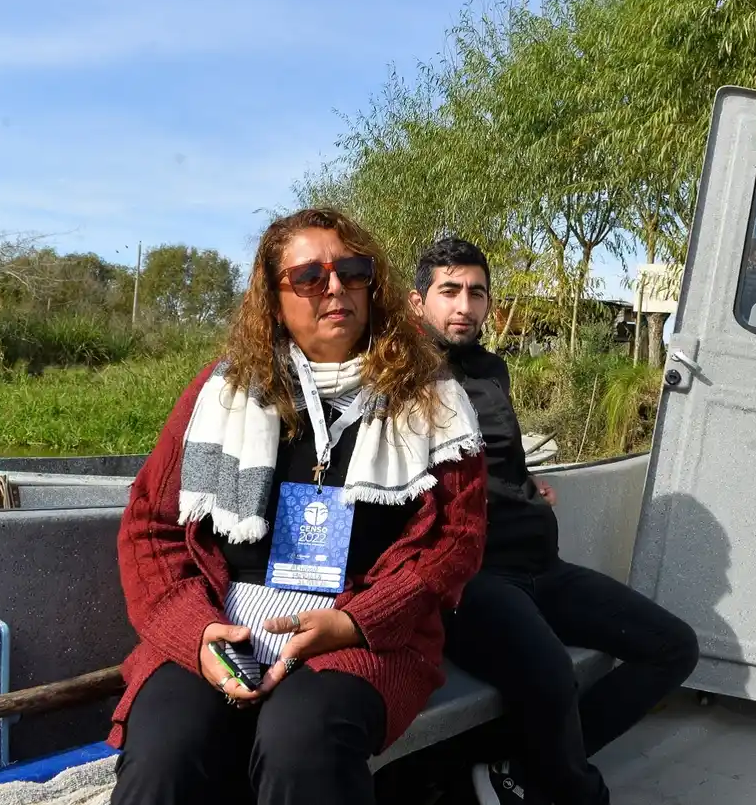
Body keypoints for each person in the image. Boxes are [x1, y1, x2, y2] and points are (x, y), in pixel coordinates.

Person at [109, 209, 487, 805]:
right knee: (165, 752)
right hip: (220, 623)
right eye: (309, 277)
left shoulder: (431, 398)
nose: (335, 288)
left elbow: (455, 540)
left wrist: (357, 621)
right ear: (272, 298)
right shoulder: (218, 395)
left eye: (352, 271)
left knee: (302, 741)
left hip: (359, 634)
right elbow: (150, 529)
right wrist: (196, 632)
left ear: (373, 284)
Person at [411, 237, 700, 805]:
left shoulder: (493, 368)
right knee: (551, 677)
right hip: (474, 578)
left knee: (673, 647)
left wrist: (525, 482)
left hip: (543, 564)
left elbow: (499, 456)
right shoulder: (401, 377)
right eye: (448, 291)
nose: (463, 306)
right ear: (417, 300)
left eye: (476, 292)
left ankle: (517, 766)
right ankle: (574, 792)